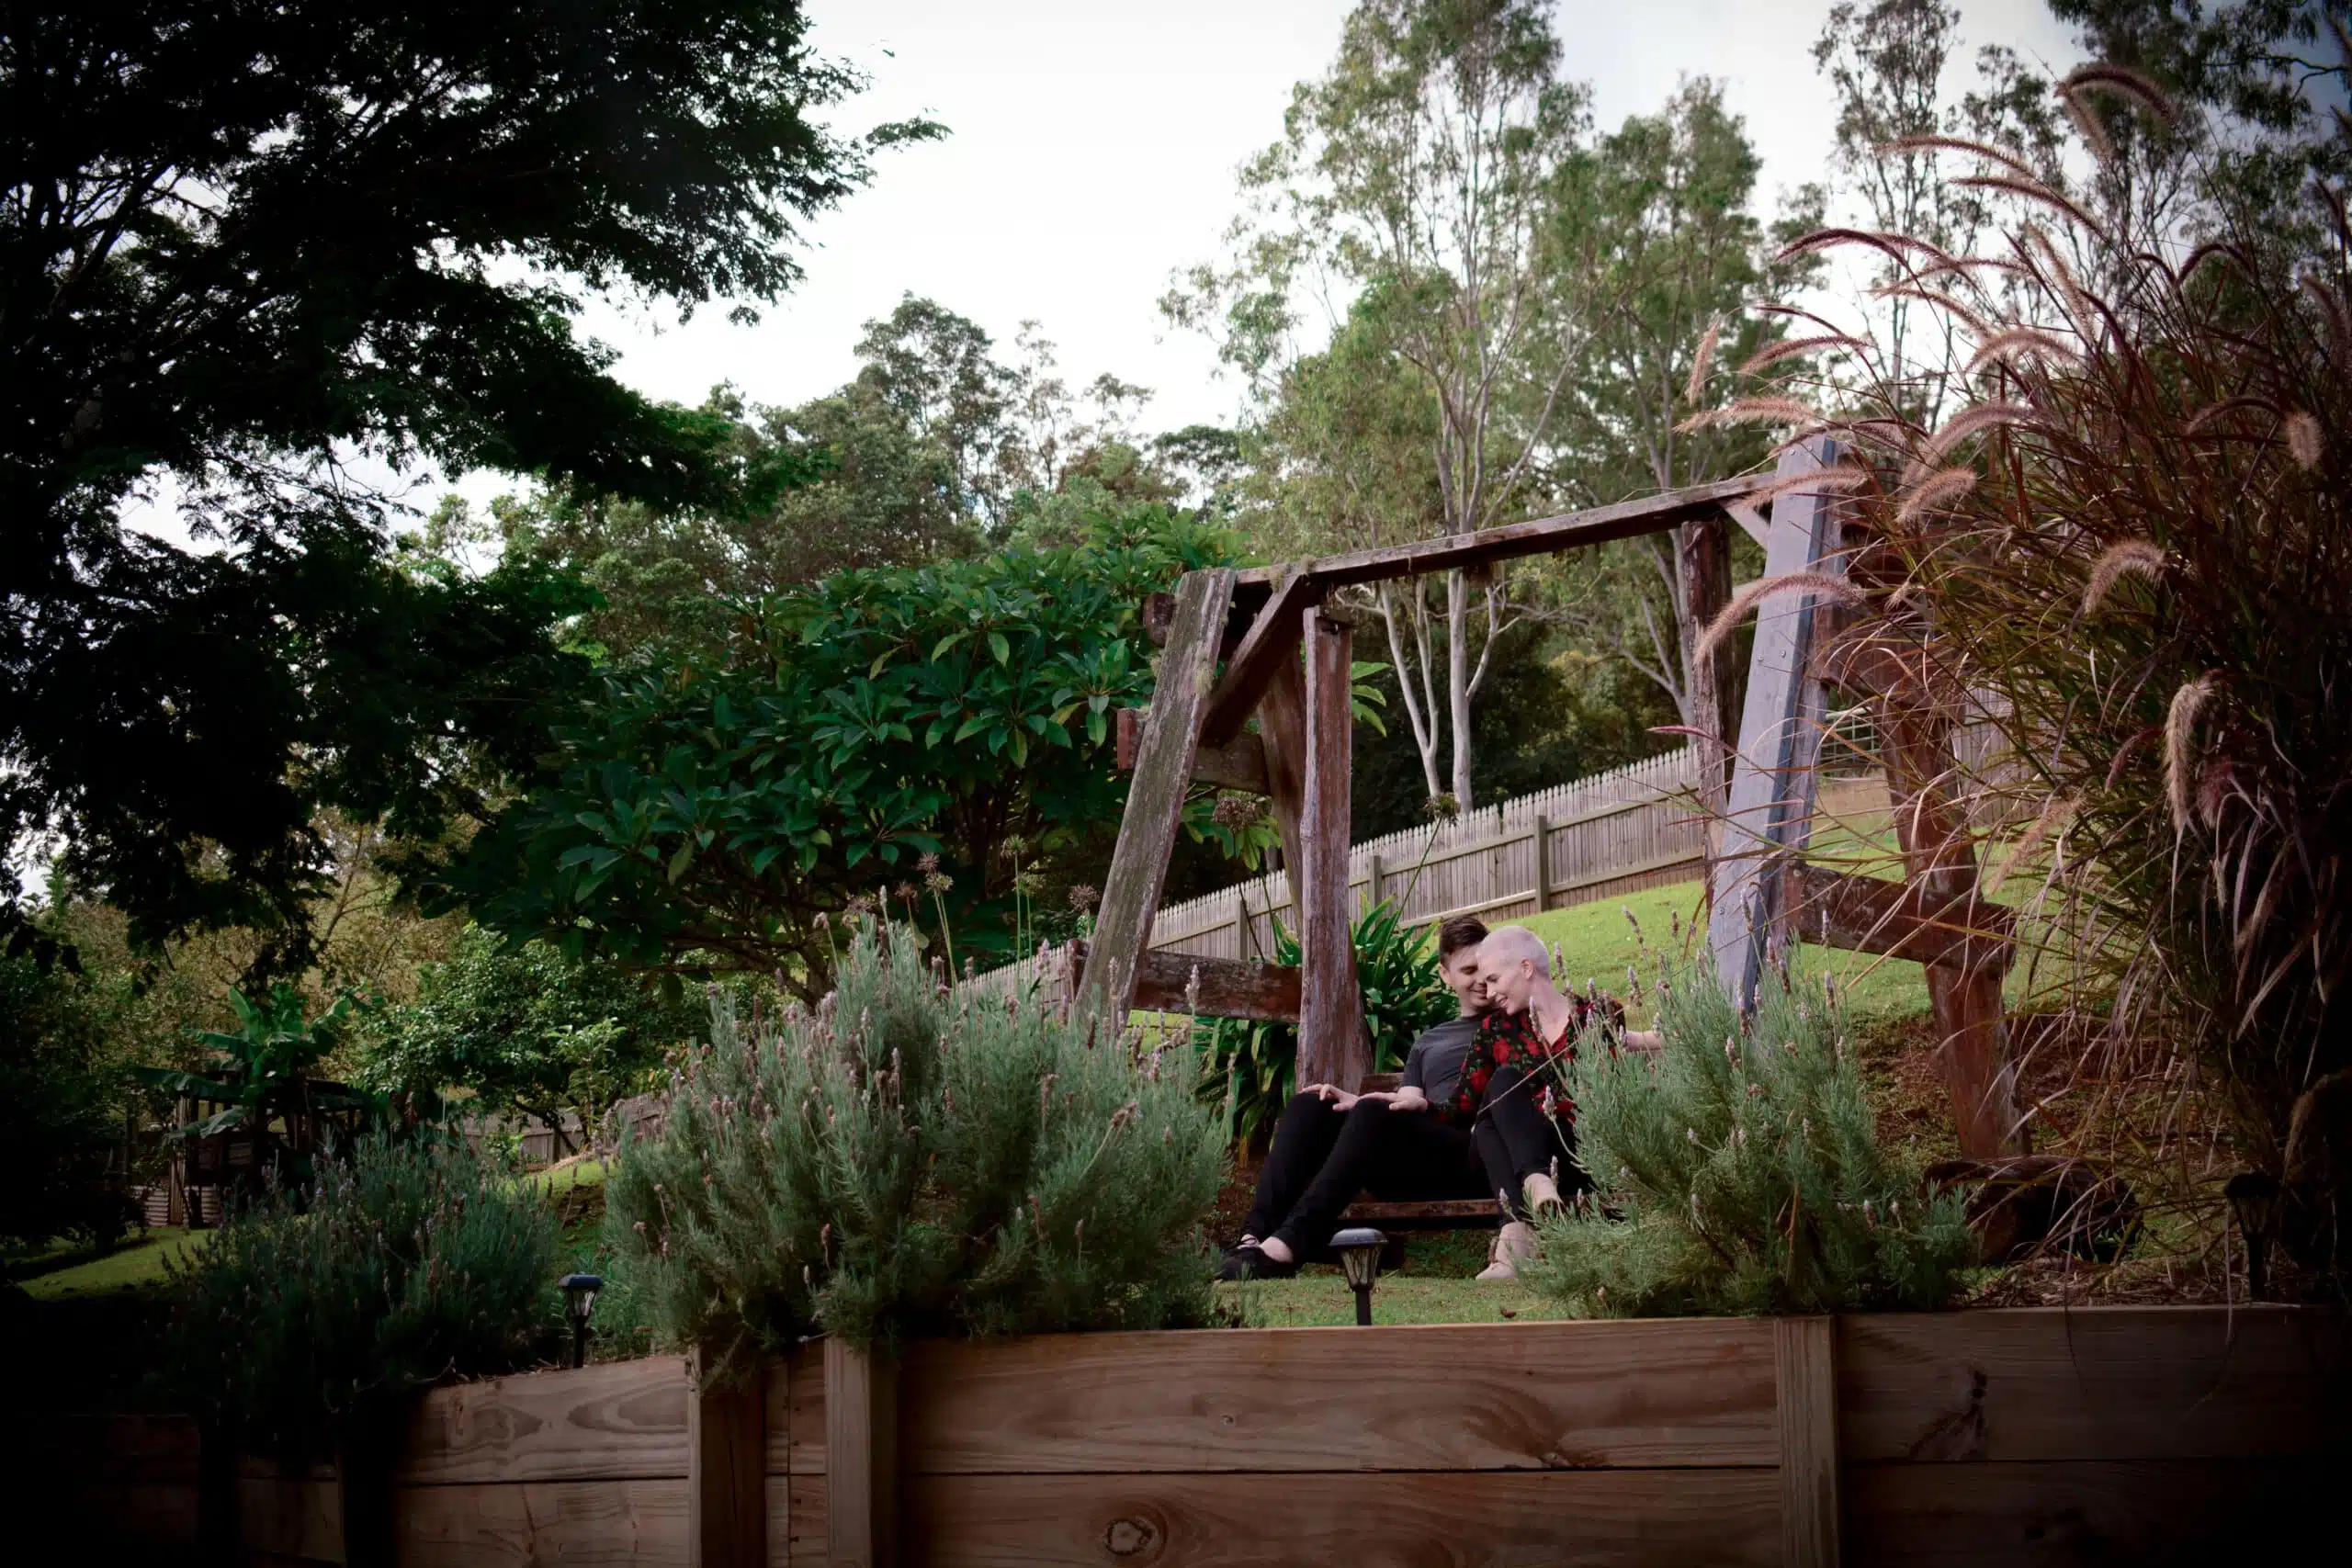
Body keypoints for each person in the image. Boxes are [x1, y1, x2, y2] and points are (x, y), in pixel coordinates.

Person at [1217, 915, 1497, 1280]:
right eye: (1468, 970)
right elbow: (1407, 1103)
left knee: (1372, 1110)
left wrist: (1376, 1107)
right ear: (1445, 976)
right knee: (1311, 1103)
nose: (1480, 981)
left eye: (1486, 969)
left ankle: (1287, 1247)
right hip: (1414, 1166)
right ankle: (1253, 1237)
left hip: (1471, 1158)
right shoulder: (1429, 1042)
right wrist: (1356, 1102)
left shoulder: (1512, 1027)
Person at [1452, 926, 1661, 1280]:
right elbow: (1460, 1107)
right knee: (1500, 1087)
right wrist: (1398, 1100)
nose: (1487, 991)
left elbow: (1633, 1044)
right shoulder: (1494, 1030)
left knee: (1490, 1120)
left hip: (1582, 1151)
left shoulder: (1597, 1014)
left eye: (1493, 978)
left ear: (1526, 968)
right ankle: (1536, 1186)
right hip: (1527, 1154)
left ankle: (1516, 1242)